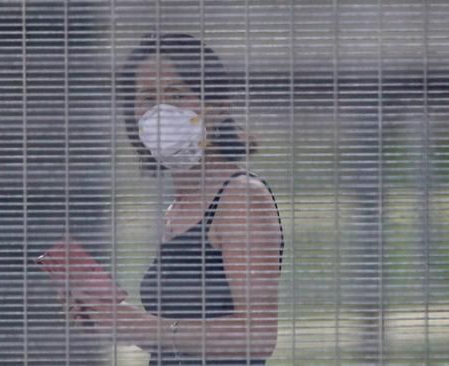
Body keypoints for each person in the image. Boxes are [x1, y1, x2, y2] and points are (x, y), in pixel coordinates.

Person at [63, 33, 284, 365]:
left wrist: (138, 326)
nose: (160, 111)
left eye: (177, 94)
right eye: (147, 97)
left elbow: (257, 338)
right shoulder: (178, 209)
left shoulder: (241, 198)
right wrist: (113, 320)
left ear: (219, 107)